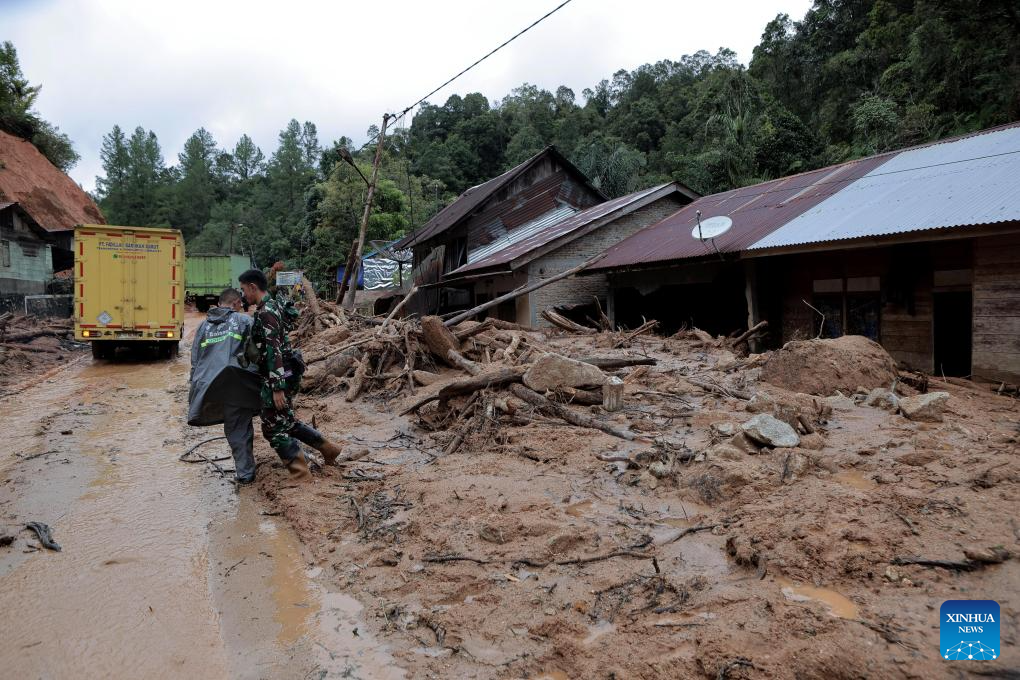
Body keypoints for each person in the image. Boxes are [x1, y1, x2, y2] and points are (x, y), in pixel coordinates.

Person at [237, 268, 342, 482]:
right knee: (287, 421)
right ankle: (329, 449)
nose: (243, 295)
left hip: (279, 375)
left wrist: (277, 388)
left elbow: (273, 350)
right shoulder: (274, 305)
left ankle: (301, 475)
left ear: (253, 287)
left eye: (243, 290)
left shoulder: (266, 312)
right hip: (287, 371)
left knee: (273, 429)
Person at [188, 288, 262, 484]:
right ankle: (247, 474)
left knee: (234, 425)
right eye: (241, 304)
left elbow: (195, 360)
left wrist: (194, 389)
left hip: (211, 385)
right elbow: (257, 352)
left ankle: (245, 472)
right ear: (236, 303)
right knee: (243, 424)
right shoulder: (244, 321)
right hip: (237, 382)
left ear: (220, 303)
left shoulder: (203, 326)